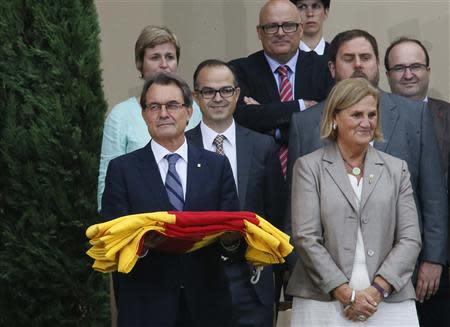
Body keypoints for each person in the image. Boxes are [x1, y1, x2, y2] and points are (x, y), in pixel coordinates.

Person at [288, 30, 448, 308]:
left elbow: (433, 193)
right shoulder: (305, 123)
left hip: (401, 272)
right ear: (332, 67)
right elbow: (295, 210)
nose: (358, 65)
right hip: (325, 280)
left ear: (377, 65)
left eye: (366, 58)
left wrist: (434, 258)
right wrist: (299, 265)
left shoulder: (413, 115)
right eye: (348, 58)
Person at [101, 72, 240, 326]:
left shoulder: (216, 166)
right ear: (145, 115)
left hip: (208, 308)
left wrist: (230, 241)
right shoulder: (123, 170)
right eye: (154, 106)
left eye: (173, 105)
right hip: (146, 307)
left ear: (189, 111)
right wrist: (142, 246)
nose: (163, 113)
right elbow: (113, 238)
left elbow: (233, 238)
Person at [287, 77, 422, 326]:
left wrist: (376, 291)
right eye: (356, 114)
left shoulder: (396, 168)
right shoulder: (309, 167)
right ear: (335, 118)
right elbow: (306, 237)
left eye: (372, 115)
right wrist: (345, 293)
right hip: (323, 301)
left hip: (388, 300)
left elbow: (410, 238)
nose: (366, 122)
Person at [186, 59, 285, 326]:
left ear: (237, 94)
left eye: (226, 90)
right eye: (208, 91)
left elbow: (276, 213)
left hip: (252, 282)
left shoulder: (263, 146)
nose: (218, 98)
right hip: (197, 281)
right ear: (195, 96)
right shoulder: (181, 147)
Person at [97, 25, 202, 210]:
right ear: (140, 64)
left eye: (170, 57)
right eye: (155, 57)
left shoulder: (194, 110)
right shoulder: (120, 115)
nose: (164, 64)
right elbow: (106, 184)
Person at [384, 37, 450, 326]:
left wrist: (437, 257)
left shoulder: (447, 116)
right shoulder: (370, 118)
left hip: (442, 260)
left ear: (428, 70)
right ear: (387, 74)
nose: (408, 74)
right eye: (399, 68)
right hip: (388, 259)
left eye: (415, 66)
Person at [230, 0, 333, 176]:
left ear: (300, 29)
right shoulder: (239, 70)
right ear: (259, 32)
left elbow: (327, 123)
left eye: (288, 26)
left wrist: (269, 124)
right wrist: (301, 106)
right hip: (259, 176)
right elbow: (242, 117)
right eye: (271, 27)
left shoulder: (323, 68)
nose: (280, 33)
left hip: (317, 174)